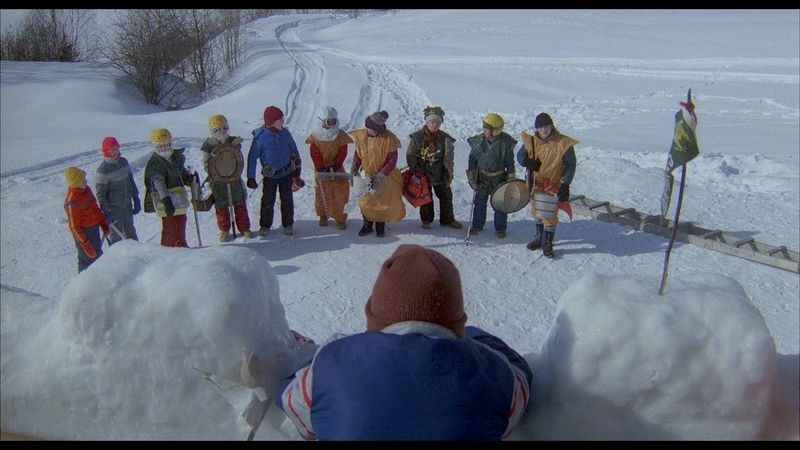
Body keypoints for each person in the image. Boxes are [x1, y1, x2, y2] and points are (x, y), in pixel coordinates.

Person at [275, 244, 532, 440]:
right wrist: (476, 339)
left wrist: (324, 354)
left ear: (376, 316)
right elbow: (521, 375)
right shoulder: (495, 374)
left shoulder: (331, 363)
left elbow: (289, 401)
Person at [516, 112, 578, 258]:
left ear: (551, 126)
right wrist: (526, 162)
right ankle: (539, 237)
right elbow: (520, 156)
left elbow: (570, 164)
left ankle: (548, 243)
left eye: (546, 126)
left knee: (549, 215)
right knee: (537, 212)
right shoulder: (531, 141)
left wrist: (565, 184)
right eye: (540, 127)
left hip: (552, 184)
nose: (543, 130)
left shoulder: (563, 143)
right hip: (535, 184)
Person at [246, 106, 303, 237]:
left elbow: (294, 150)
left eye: (283, 119)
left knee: (287, 199)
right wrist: (251, 177)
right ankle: (265, 225)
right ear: (270, 122)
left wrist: (297, 168)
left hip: (286, 172)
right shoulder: (261, 138)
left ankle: (288, 224)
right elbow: (252, 158)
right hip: (270, 176)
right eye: (280, 120)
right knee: (267, 201)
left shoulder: (285, 133)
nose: (283, 122)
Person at [349, 111, 406, 238]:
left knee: (381, 202)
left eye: (370, 128)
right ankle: (367, 225)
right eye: (367, 126)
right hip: (366, 175)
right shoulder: (362, 136)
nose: (367, 129)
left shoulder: (389, 139)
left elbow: (392, 161)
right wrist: (354, 167)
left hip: (385, 177)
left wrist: (380, 177)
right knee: (366, 202)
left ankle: (380, 227)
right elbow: (358, 153)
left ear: (378, 129)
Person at [406, 106, 462, 230]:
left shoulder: (444, 138)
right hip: (423, 172)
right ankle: (426, 220)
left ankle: (448, 220)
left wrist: (448, 170)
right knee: (426, 198)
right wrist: (417, 170)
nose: (435, 125)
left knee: (446, 196)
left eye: (437, 122)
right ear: (427, 122)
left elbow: (448, 157)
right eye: (432, 122)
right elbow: (410, 155)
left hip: (440, 172)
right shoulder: (417, 137)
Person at [201, 114, 253, 242]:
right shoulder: (208, 145)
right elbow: (206, 164)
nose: (221, 132)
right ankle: (224, 229)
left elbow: (238, 159)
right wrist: (215, 174)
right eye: (217, 130)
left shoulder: (233, 141)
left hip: (234, 178)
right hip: (218, 181)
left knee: (239, 203)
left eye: (223, 128)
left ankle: (244, 227)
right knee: (221, 206)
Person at [466, 112, 518, 238]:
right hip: (483, 177)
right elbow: (472, 158)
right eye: (484, 127)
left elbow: (510, 163)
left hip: (498, 178)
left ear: (495, 130)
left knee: (499, 204)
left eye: (487, 128)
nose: (484, 130)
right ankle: (477, 225)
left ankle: (500, 228)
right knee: (479, 202)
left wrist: (511, 179)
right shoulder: (479, 141)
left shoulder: (505, 143)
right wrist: (472, 176)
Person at [143, 128, 195, 248]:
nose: (165, 148)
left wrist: (188, 179)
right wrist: (166, 200)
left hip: (178, 196)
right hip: (164, 199)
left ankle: (181, 244)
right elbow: (158, 183)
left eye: (167, 145)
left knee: (181, 220)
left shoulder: (175, 157)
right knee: (170, 225)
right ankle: (167, 248)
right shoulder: (155, 163)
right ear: (156, 147)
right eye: (161, 146)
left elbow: (181, 173)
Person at [306, 106, 352, 230]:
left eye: (333, 121)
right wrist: (320, 167)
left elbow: (343, 150)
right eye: (329, 121)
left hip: (337, 168)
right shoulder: (315, 137)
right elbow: (314, 153)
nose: (332, 124)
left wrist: (337, 164)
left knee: (339, 193)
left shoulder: (340, 135)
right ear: (322, 122)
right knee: (322, 193)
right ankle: (323, 215)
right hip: (321, 170)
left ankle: (339, 216)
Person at [95, 136, 140, 244]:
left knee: (131, 233)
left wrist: (136, 198)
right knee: (116, 238)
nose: (116, 152)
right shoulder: (103, 170)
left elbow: (131, 181)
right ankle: (117, 259)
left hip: (127, 206)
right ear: (106, 151)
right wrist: (107, 212)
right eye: (112, 149)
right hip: (114, 210)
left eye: (117, 148)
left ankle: (137, 256)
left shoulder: (124, 162)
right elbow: (101, 195)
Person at [64, 166, 109, 272]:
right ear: (75, 183)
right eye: (83, 180)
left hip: (94, 229)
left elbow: (95, 208)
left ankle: (101, 281)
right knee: (87, 262)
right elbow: (74, 227)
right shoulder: (72, 202)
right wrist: (86, 246)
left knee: (98, 257)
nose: (86, 181)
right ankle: (83, 285)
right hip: (84, 235)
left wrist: (103, 224)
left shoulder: (86, 190)